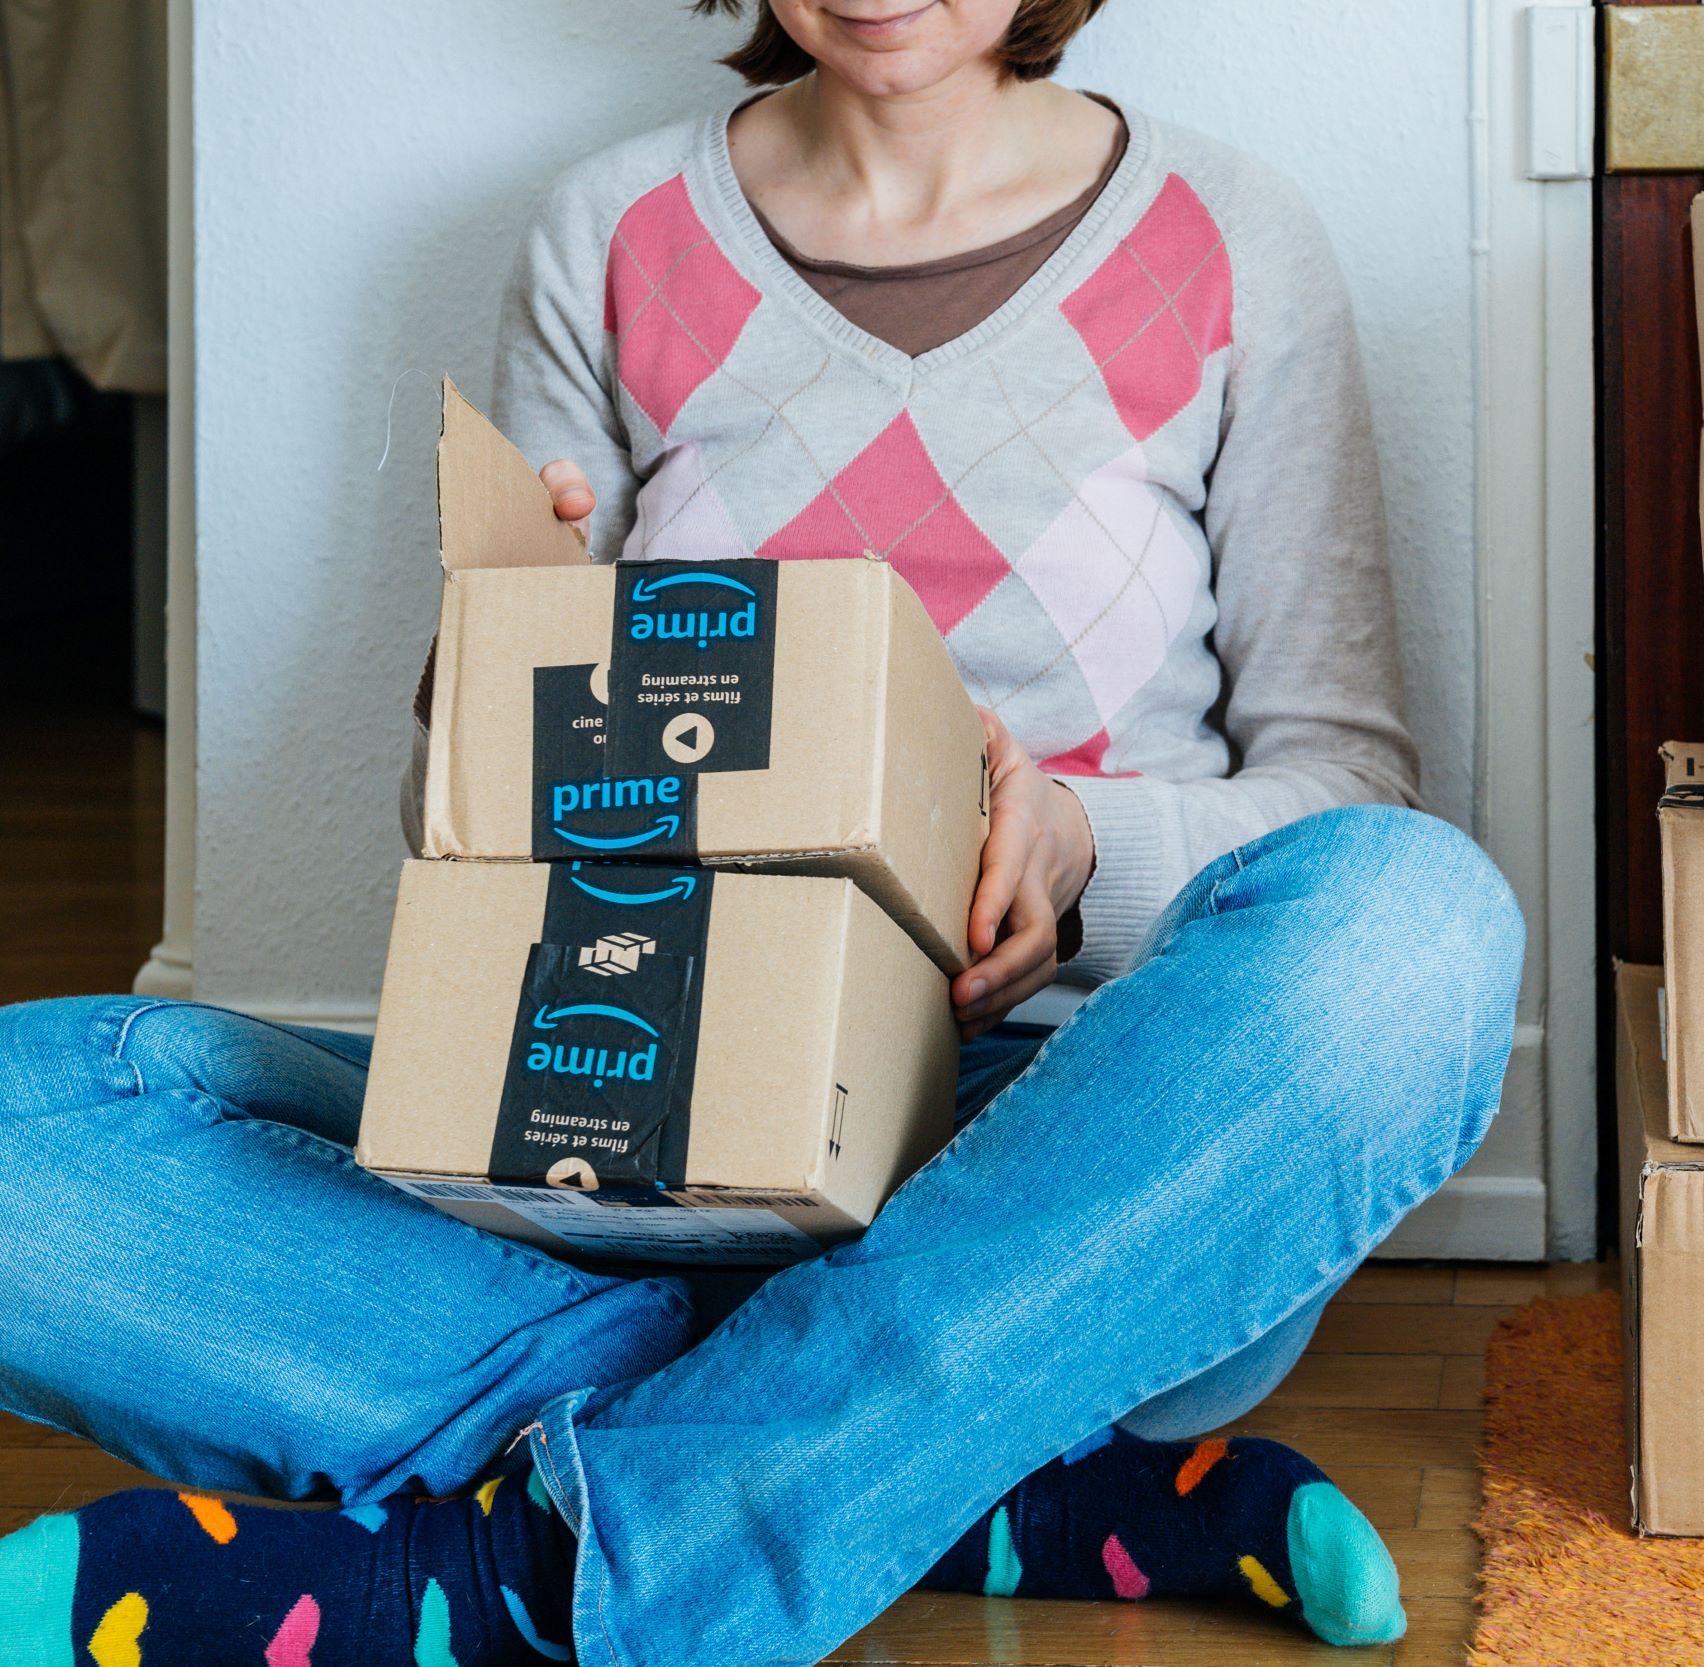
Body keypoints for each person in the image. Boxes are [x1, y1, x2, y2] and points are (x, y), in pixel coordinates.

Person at [0, 3, 1522, 1663]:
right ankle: (964, 1477)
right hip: (641, 1122)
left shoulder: (1228, 236)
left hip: (1067, 1163)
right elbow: (482, 853)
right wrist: (502, 696)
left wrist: (1082, 842)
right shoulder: (610, 228)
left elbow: (1343, 790)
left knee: (1419, 923)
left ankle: (509, 1584)